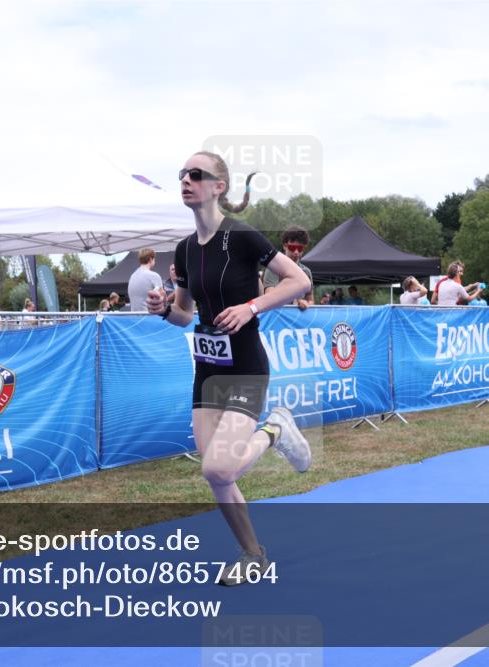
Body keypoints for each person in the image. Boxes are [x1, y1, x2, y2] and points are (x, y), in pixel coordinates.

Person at [146, 151, 312, 586]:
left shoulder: (242, 237)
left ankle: (274, 429)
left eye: (196, 175)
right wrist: (165, 309)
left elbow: (300, 281)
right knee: (219, 475)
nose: (186, 180)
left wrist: (252, 305)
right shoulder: (183, 250)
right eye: (181, 174)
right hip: (208, 368)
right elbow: (185, 314)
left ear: (219, 186)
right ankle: (252, 553)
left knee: (219, 469)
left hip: (245, 365)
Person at [263, 226, 314, 311]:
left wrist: (306, 304)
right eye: (292, 248)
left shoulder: (306, 271)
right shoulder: (273, 268)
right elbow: (269, 297)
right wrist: (295, 300)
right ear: (284, 246)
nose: (296, 252)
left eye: (300, 248)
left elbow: (310, 300)